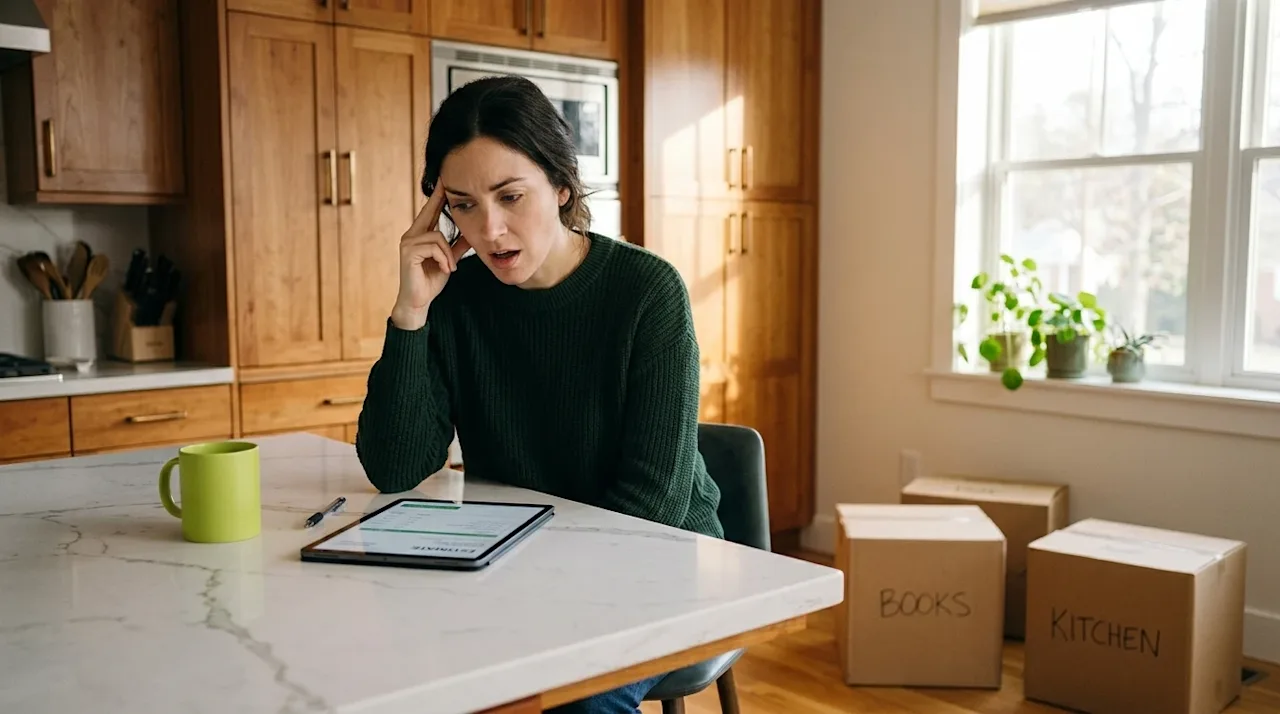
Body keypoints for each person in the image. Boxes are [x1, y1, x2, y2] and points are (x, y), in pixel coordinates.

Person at [354, 75, 725, 713]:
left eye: (510, 196)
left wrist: (528, 587)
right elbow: (394, 467)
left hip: (657, 565)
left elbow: (653, 504)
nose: (491, 230)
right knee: (398, 673)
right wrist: (411, 314)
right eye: (463, 205)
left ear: (560, 186)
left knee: (569, 701)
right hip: (518, 566)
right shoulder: (455, 298)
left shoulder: (646, 292)